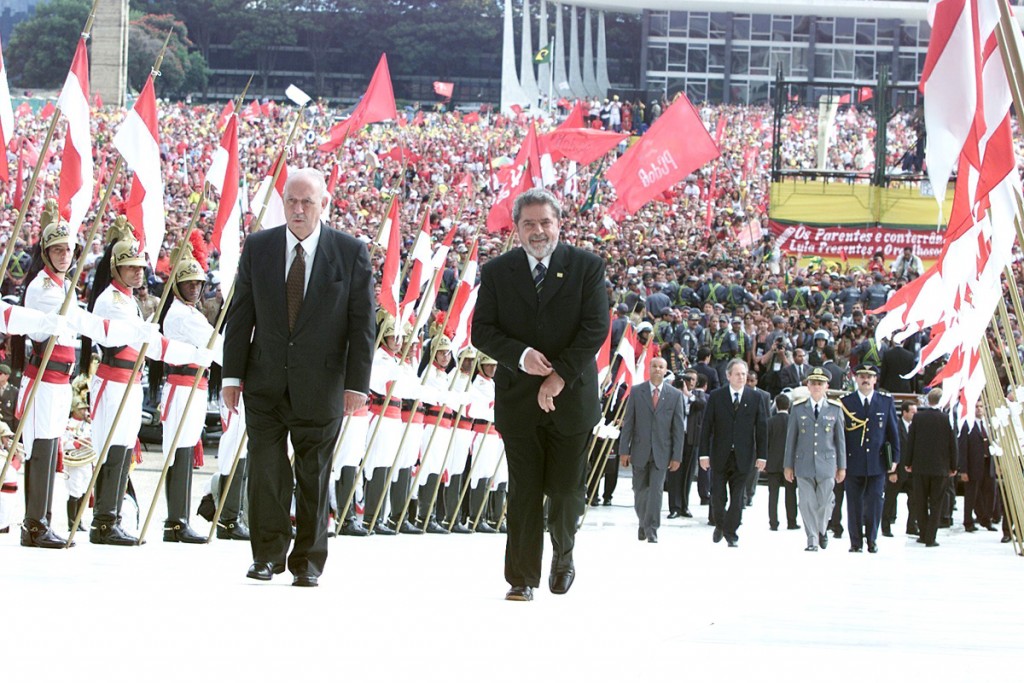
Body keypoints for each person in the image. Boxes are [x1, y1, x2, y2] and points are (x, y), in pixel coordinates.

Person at [223, 168, 375, 587]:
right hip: (265, 383)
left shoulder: (349, 252)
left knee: (313, 477)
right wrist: (231, 377)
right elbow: (240, 316)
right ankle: (266, 554)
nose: (298, 209)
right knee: (267, 473)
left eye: (307, 201)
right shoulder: (259, 247)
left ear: (324, 204)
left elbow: (363, 324)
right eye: (291, 200)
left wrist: (356, 385)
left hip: (322, 386)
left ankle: (307, 560)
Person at [472, 188, 608, 602]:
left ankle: (563, 554)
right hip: (518, 401)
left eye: (545, 222)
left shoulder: (586, 267)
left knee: (567, 491)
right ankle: (521, 578)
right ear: (516, 228)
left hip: (571, 399)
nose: (537, 231)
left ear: (558, 223)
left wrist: (560, 376)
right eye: (528, 223)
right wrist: (522, 356)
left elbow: (595, 328)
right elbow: (483, 331)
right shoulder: (498, 272)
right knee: (525, 491)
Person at [87, 221, 210, 546]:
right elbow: (152, 345)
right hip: (115, 381)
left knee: (123, 447)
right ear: (116, 268)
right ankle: (103, 521)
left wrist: (201, 353)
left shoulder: (127, 300)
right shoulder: (112, 300)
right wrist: (200, 352)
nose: (138, 272)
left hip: (129, 381)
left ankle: (111, 518)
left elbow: (151, 345)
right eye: (130, 267)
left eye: (140, 267)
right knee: (113, 447)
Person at [698, 359, 768, 548]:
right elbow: (707, 427)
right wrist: (703, 454)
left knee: (738, 498)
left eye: (744, 374)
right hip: (720, 454)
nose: (741, 377)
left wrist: (762, 456)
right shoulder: (716, 396)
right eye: (737, 374)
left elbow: (761, 428)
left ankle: (731, 532)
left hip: (744, 456)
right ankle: (720, 524)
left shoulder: (755, 398)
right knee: (718, 496)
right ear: (728, 376)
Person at [618, 357, 684, 544]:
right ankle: (643, 522)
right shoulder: (637, 392)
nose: (657, 369)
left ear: (665, 371)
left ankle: (652, 528)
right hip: (640, 450)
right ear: (649, 368)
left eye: (661, 367)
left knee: (656, 491)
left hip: (662, 452)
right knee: (640, 490)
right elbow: (629, 422)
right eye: (654, 366)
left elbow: (678, 428)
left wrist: (676, 456)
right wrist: (624, 450)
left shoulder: (675, 395)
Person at [783, 367, 847, 551]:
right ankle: (812, 538)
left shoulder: (835, 409)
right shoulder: (797, 408)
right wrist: (788, 465)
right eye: (813, 383)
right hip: (804, 463)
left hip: (827, 463)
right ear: (808, 386)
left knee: (826, 501)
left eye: (820, 383)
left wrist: (842, 466)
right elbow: (791, 439)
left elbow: (840, 440)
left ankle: (821, 529)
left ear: (827, 386)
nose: (817, 386)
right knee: (806, 502)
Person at [839, 363, 900, 553]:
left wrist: (895, 459)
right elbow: (840, 435)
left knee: (875, 501)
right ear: (856, 379)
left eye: (869, 376)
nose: (865, 379)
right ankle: (855, 541)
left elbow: (893, 432)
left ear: (875, 380)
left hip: (877, 461)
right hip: (853, 460)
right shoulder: (846, 402)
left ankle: (872, 539)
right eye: (862, 376)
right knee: (854, 503)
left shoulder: (885, 402)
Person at [905, 388, 958, 548]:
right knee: (936, 503)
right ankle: (931, 537)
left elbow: (911, 441)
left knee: (920, 501)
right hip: (940, 468)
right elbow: (952, 444)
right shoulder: (946, 419)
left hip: (920, 467)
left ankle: (922, 534)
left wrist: (908, 463)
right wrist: (954, 466)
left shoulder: (918, 418)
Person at [958, 404, 997, 532]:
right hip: (973, 465)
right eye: (976, 407)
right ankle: (968, 521)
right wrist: (963, 469)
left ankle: (987, 520)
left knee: (989, 492)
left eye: (981, 407)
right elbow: (963, 448)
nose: (979, 409)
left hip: (988, 464)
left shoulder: (990, 425)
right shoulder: (967, 425)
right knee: (971, 494)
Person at [882, 400, 918, 537]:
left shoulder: (917, 426)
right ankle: (885, 526)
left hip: (912, 471)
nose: (915, 414)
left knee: (914, 500)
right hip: (897, 470)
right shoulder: (895, 426)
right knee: (890, 499)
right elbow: (889, 447)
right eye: (912, 412)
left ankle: (911, 526)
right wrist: (892, 470)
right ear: (904, 412)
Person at [764, 393, 798, 531]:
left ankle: (773, 522)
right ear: (789, 405)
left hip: (772, 464)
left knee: (773, 495)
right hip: (789, 464)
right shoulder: (793, 421)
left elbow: (765, 443)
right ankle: (791, 522)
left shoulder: (769, 422)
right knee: (791, 494)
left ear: (776, 405)